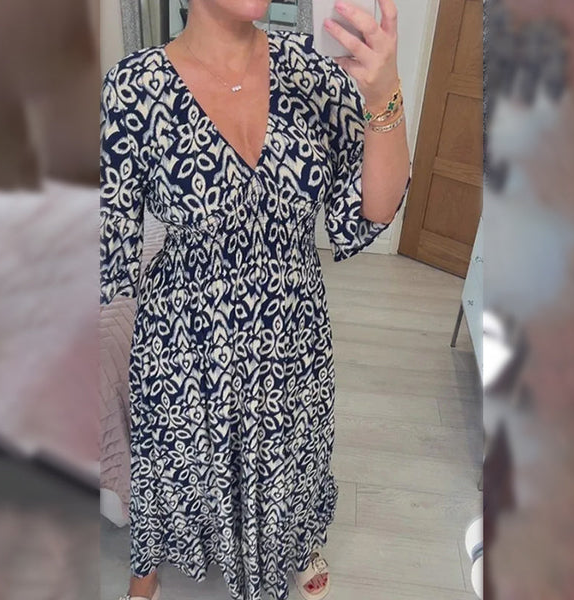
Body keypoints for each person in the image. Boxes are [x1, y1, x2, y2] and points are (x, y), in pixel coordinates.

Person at [100, 1, 410, 599]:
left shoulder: (312, 72)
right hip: (187, 341)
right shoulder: (133, 86)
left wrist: (383, 98)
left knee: (291, 456)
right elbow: (115, 237)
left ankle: (292, 539)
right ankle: (150, 561)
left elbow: (370, 211)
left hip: (292, 338)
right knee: (179, 460)